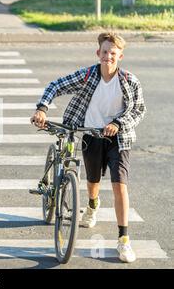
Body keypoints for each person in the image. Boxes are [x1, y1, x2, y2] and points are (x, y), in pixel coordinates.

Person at [31, 32, 146, 263]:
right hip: (91, 135)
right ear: (98, 53)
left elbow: (139, 110)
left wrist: (117, 123)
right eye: (104, 52)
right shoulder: (87, 76)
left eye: (113, 53)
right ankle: (93, 206)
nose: (108, 57)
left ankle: (124, 240)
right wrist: (42, 107)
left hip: (118, 138)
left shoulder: (129, 80)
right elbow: (56, 85)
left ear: (120, 56)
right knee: (93, 181)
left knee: (119, 185)